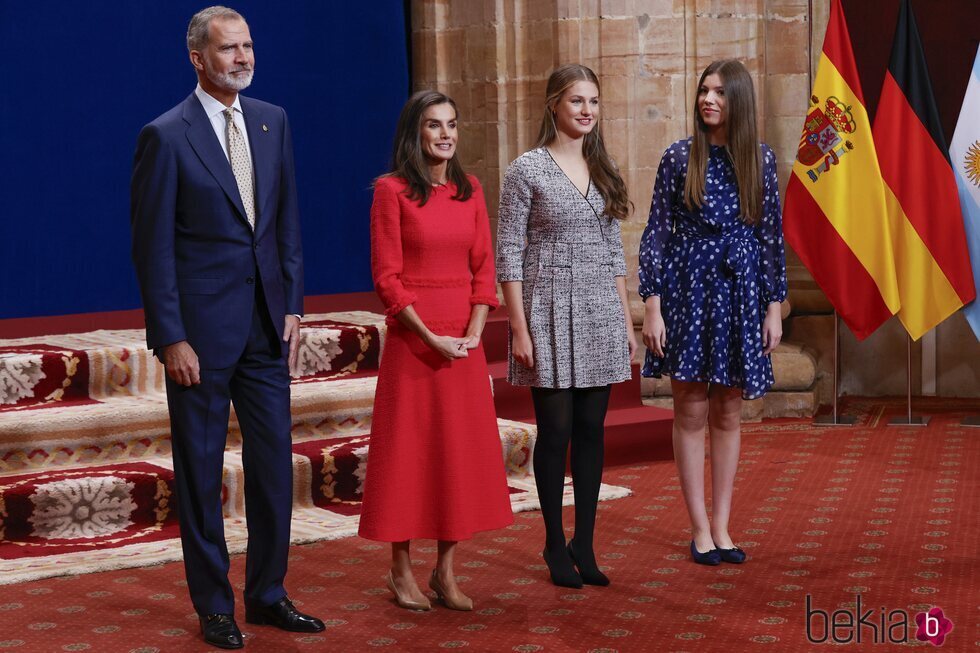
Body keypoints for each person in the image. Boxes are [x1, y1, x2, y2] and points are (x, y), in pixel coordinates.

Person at [130, 6, 323, 648]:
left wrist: (292, 303)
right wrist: (170, 336)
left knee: (273, 473)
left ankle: (268, 594)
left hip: (268, 329)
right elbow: (152, 248)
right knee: (201, 476)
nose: (243, 58)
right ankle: (215, 605)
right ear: (198, 59)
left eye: (247, 46)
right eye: (228, 49)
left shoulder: (274, 120)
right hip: (200, 342)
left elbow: (286, 222)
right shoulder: (166, 135)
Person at [357, 90, 514, 612]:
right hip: (414, 341)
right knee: (409, 455)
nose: (445, 134)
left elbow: (483, 270)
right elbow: (388, 278)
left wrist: (471, 335)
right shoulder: (391, 191)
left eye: (451, 124)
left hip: (461, 344)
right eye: (433, 125)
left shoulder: (470, 189)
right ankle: (399, 568)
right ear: (415, 133)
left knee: (457, 456)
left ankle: (445, 571)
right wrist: (431, 338)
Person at [638, 59, 787, 566]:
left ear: (738, 100)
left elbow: (771, 239)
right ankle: (698, 527)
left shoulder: (760, 161)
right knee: (691, 407)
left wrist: (774, 307)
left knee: (728, 409)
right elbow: (655, 232)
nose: (709, 99)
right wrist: (651, 307)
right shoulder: (679, 157)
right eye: (704, 90)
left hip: (741, 292)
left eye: (720, 92)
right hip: (688, 289)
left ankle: (723, 525)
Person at [496, 64, 636, 589]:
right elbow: (509, 252)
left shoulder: (604, 167)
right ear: (554, 104)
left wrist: (626, 322)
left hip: (600, 309)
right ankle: (555, 541)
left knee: (591, 432)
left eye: (593, 102)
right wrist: (518, 327)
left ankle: (586, 541)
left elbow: (614, 252)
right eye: (576, 101)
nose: (586, 111)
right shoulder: (526, 169)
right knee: (554, 432)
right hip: (548, 311)